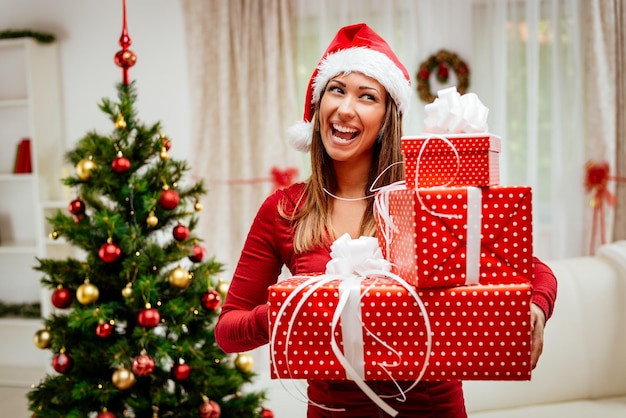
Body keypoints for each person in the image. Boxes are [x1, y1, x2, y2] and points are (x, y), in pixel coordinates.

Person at [215, 23, 558, 417]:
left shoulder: (424, 199)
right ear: (318, 104)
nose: (346, 109)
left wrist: (535, 307)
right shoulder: (285, 210)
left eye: (367, 96)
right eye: (337, 90)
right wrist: (292, 307)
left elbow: (536, 272)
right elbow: (228, 331)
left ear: (386, 117)